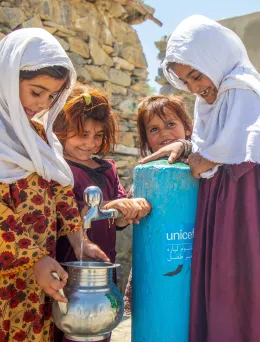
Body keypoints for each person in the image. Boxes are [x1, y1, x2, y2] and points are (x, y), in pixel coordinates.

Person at [139, 15, 260, 341]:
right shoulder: (209, 104)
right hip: (217, 215)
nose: (195, 87)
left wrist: (210, 159)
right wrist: (192, 149)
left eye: (196, 74)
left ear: (214, 57)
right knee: (217, 292)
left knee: (243, 294)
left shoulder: (243, 89)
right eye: (185, 82)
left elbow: (259, 140)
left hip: (245, 217)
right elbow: (212, 148)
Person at [0, 28, 108, 342]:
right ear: (5, 78)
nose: (41, 104)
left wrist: (80, 241)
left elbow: (60, 191)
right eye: (35, 91)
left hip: (35, 277)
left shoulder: (39, 136)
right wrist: (36, 260)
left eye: (52, 96)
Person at [52, 86, 151, 342]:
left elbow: (117, 218)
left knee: (99, 325)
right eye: (82, 135)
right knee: (67, 326)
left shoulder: (107, 168)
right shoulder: (56, 168)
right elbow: (66, 211)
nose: (91, 143)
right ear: (61, 130)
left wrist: (127, 209)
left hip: (103, 267)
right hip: (68, 264)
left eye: (97, 135)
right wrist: (110, 206)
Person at [123, 94, 193, 316]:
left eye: (171, 124)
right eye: (153, 129)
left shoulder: (199, 162)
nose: (163, 133)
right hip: (154, 266)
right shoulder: (146, 172)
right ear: (145, 139)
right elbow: (129, 207)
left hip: (193, 262)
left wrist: (186, 147)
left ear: (188, 128)